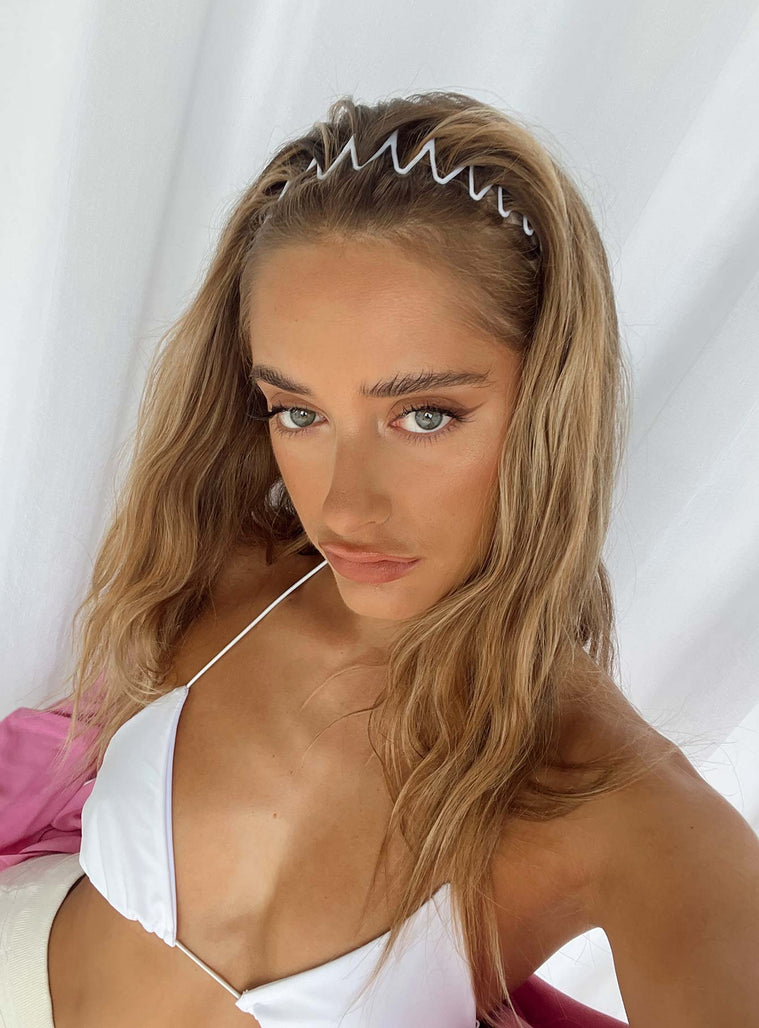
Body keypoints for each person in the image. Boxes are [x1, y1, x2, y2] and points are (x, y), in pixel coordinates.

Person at [2, 90, 757, 1028]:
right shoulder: (221, 570)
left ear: (549, 408)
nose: (343, 508)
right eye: (298, 412)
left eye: (424, 415)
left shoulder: (625, 811)